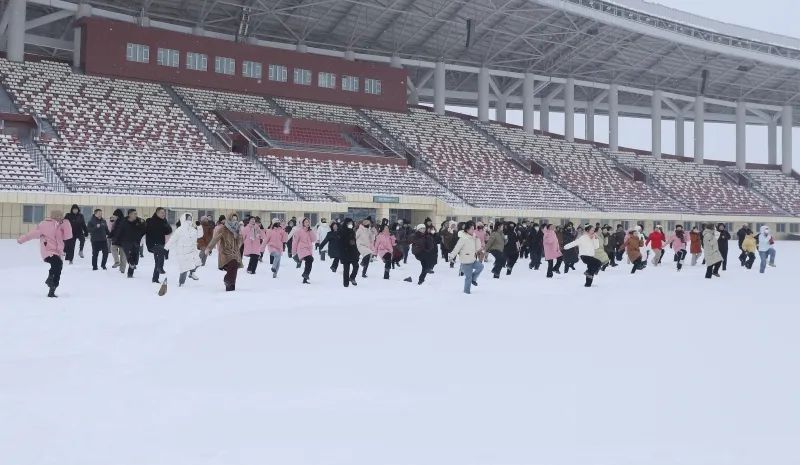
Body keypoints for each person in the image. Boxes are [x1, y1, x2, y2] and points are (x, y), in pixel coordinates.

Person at [17, 209, 72, 297]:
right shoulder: (45, 224)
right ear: (54, 216)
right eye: (58, 216)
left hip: (58, 251)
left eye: (61, 216)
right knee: (57, 263)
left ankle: (52, 289)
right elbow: (32, 234)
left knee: (58, 268)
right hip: (47, 250)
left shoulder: (61, 225)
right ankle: (50, 279)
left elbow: (68, 236)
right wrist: (22, 239)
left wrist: (67, 223)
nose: (60, 218)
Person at [205, 213, 243, 291]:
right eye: (233, 219)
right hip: (226, 252)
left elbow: (239, 243)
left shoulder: (237, 229)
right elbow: (215, 239)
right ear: (229, 219)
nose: (235, 221)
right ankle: (227, 279)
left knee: (234, 268)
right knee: (233, 263)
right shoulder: (223, 228)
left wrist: (238, 236)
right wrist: (209, 248)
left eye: (236, 219)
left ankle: (231, 287)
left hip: (235, 251)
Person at [164, 212, 203, 286]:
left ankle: (191, 273)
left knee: (198, 263)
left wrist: (199, 226)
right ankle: (181, 283)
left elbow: (200, 235)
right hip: (182, 252)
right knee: (184, 269)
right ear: (183, 219)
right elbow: (173, 239)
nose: (189, 220)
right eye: (187, 219)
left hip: (192, 251)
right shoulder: (180, 230)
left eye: (190, 219)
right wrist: (166, 247)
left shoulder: (193, 229)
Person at [448, 221, 483, 294]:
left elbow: (477, 248)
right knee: (468, 278)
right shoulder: (463, 238)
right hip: (465, 262)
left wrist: (477, 239)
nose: (473, 230)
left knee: (480, 266)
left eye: (473, 228)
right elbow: (457, 248)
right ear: (467, 230)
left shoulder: (473, 237)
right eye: (471, 229)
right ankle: (466, 292)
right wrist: (451, 256)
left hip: (472, 260)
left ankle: (473, 279)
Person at [115, 209, 147, 278]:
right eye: (134, 214)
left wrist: (143, 223)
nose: (136, 215)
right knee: (130, 257)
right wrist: (116, 241)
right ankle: (130, 272)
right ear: (129, 214)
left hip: (136, 242)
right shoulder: (123, 222)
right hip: (126, 242)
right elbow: (119, 232)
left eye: (136, 213)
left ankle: (130, 272)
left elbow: (144, 230)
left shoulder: (139, 221)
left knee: (135, 259)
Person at [145, 207, 173, 284]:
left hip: (160, 244)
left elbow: (169, 231)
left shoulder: (164, 221)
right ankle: (160, 268)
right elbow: (143, 230)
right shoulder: (150, 221)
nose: (163, 214)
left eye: (164, 213)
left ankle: (155, 278)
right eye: (161, 212)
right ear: (157, 213)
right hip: (152, 244)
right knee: (161, 251)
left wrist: (166, 224)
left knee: (157, 261)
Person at [292, 218, 317, 284]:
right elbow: (295, 242)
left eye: (308, 222)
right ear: (302, 223)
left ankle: (305, 278)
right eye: (306, 222)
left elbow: (314, 239)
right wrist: (294, 252)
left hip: (308, 249)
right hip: (301, 249)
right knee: (310, 259)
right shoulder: (298, 231)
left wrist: (311, 231)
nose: (307, 223)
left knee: (309, 261)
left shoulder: (309, 231)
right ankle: (305, 274)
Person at [340, 218, 360, 287]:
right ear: (346, 224)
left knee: (356, 266)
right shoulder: (342, 231)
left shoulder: (352, 231)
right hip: (345, 252)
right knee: (346, 269)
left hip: (353, 252)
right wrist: (348, 242)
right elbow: (341, 242)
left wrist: (356, 251)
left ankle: (352, 277)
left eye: (351, 223)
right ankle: (346, 284)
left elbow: (354, 242)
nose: (350, 225)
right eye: (349, 223)